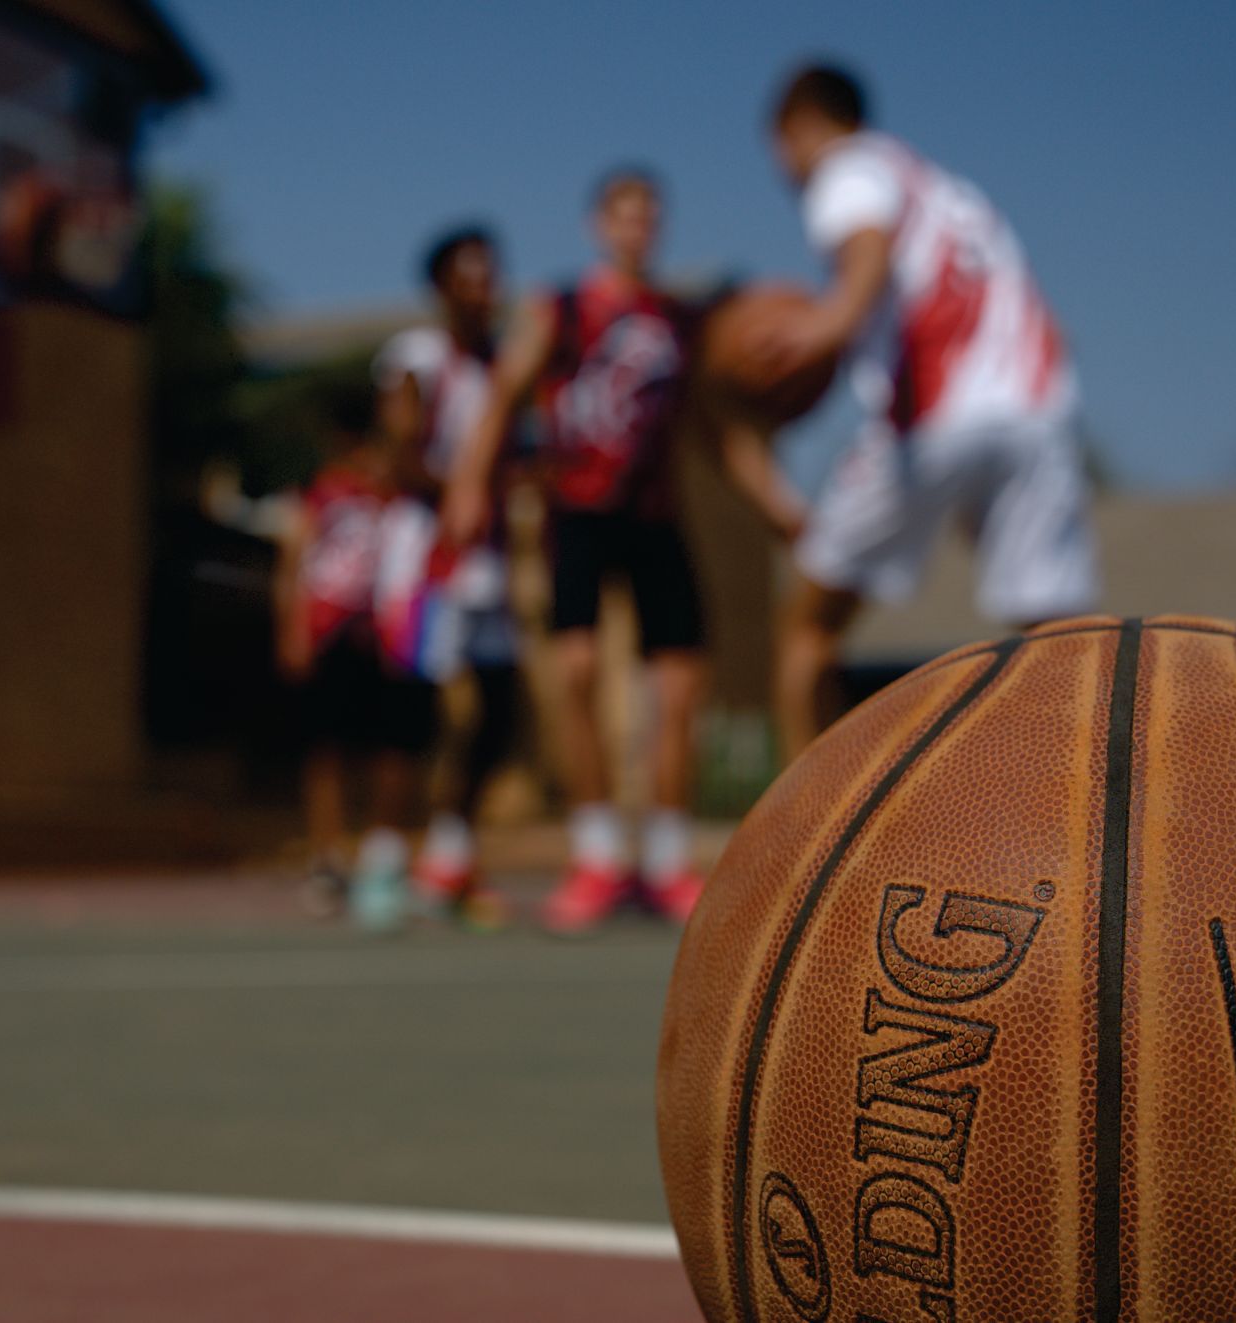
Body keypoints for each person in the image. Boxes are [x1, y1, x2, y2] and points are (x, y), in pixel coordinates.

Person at [738, 63, 1101, 757]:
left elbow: (866, 245)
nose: (783, 170)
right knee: (1058, 641)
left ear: (799, 127)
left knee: (807, 626)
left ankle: (801, 841)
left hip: (937, 416)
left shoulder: (847, 168)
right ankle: (1087, 822)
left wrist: (830, 321)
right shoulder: (947, 190)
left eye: (779, 150)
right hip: (1040, 409)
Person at [442, 168, 706, 934]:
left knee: (680, 691)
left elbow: (713, 428)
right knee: (578, 672)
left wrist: (782, 506)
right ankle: (596, 853)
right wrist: (468, 484)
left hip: (657, 515)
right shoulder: (557, 309)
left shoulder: (679, 320)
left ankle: (664, 860)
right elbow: (502, 396)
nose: (638, 229)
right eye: (624, 216)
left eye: (649, 216)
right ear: (600, 224)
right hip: (579, 511)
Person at [372, 225, 519, 921]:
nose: (485, 285)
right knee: (412, 707)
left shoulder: (507, 366)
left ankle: (450, 856)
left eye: (492, 272)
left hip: (486, 554)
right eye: (470, 273)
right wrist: (458, 489)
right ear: (440, 285)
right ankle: (380, 861)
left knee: (501, 704)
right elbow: (399, 455)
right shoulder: (417, 358)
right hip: (426, 550)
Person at [273, 380, 437, 932]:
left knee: (386, 748)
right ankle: (326, 858)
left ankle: (377, 856)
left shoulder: (388, 487)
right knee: (326, 749)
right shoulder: (318, 491)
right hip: (328, 629)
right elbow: (294, 559)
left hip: (380, 633)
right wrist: (293, 630)